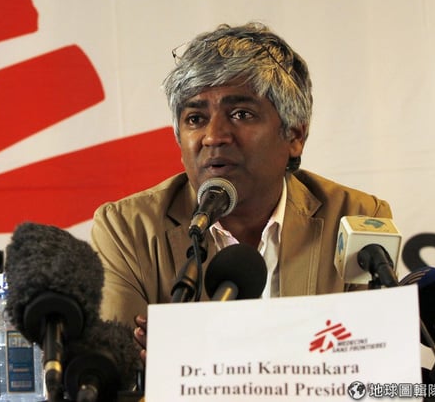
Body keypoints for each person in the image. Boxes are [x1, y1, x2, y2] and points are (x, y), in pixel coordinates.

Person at [89, 22, 392, 362]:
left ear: (294, 135)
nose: (213, 136)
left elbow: (369, 360)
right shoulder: (127, 229)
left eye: (241, 114)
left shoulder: (357, 217)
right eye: (195, 119)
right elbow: (117, 366)